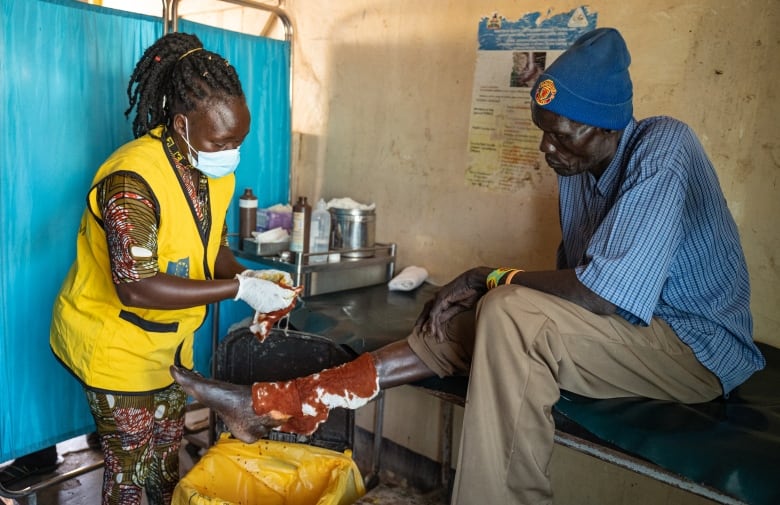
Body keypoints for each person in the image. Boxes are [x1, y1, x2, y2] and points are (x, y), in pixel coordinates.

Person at [170, 28, 766, 504]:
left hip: (695, 348)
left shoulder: (664, 147)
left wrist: (490, 277)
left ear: (603, 125)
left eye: (559, 137)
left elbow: (601, 294)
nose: (546, 150)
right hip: (627, 335)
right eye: (542, 135)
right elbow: (570, 293)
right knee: (480, 314)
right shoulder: (579, 173)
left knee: (508, 310)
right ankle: (277, 402)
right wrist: (485, 290)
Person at [49, 32, 299, 505]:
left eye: (240, 139)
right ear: (182, 124)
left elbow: (210, 250)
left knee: (165, 462)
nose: (233, 151)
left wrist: (253, 278)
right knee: (129, 473)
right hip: (116, 345)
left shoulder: (211, 171)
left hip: (169, 345)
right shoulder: (131, 182)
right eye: (223, 140)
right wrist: (237, 289)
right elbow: (137, 288)